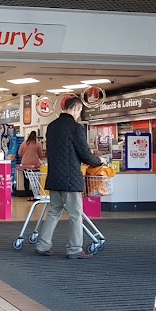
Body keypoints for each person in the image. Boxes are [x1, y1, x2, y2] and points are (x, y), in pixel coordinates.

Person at [36, 96, 105, 260]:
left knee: (54, 211)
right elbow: (84, 152)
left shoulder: (52, 126)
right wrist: (98, 161)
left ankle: (43, 244)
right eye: (79, 111)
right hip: (70, 178)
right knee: (75, 214)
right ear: (76, 108)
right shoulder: (75, 127)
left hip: (54, 177)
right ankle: (74, 248)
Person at [18, 131, 44, 201]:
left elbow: (19, 153)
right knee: (35, 180)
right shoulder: (38, 144)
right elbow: (41, 155)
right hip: (34, 165)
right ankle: (35, 195)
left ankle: (28, 196)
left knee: (26, 180)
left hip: (25, 164)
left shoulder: (24, 143)